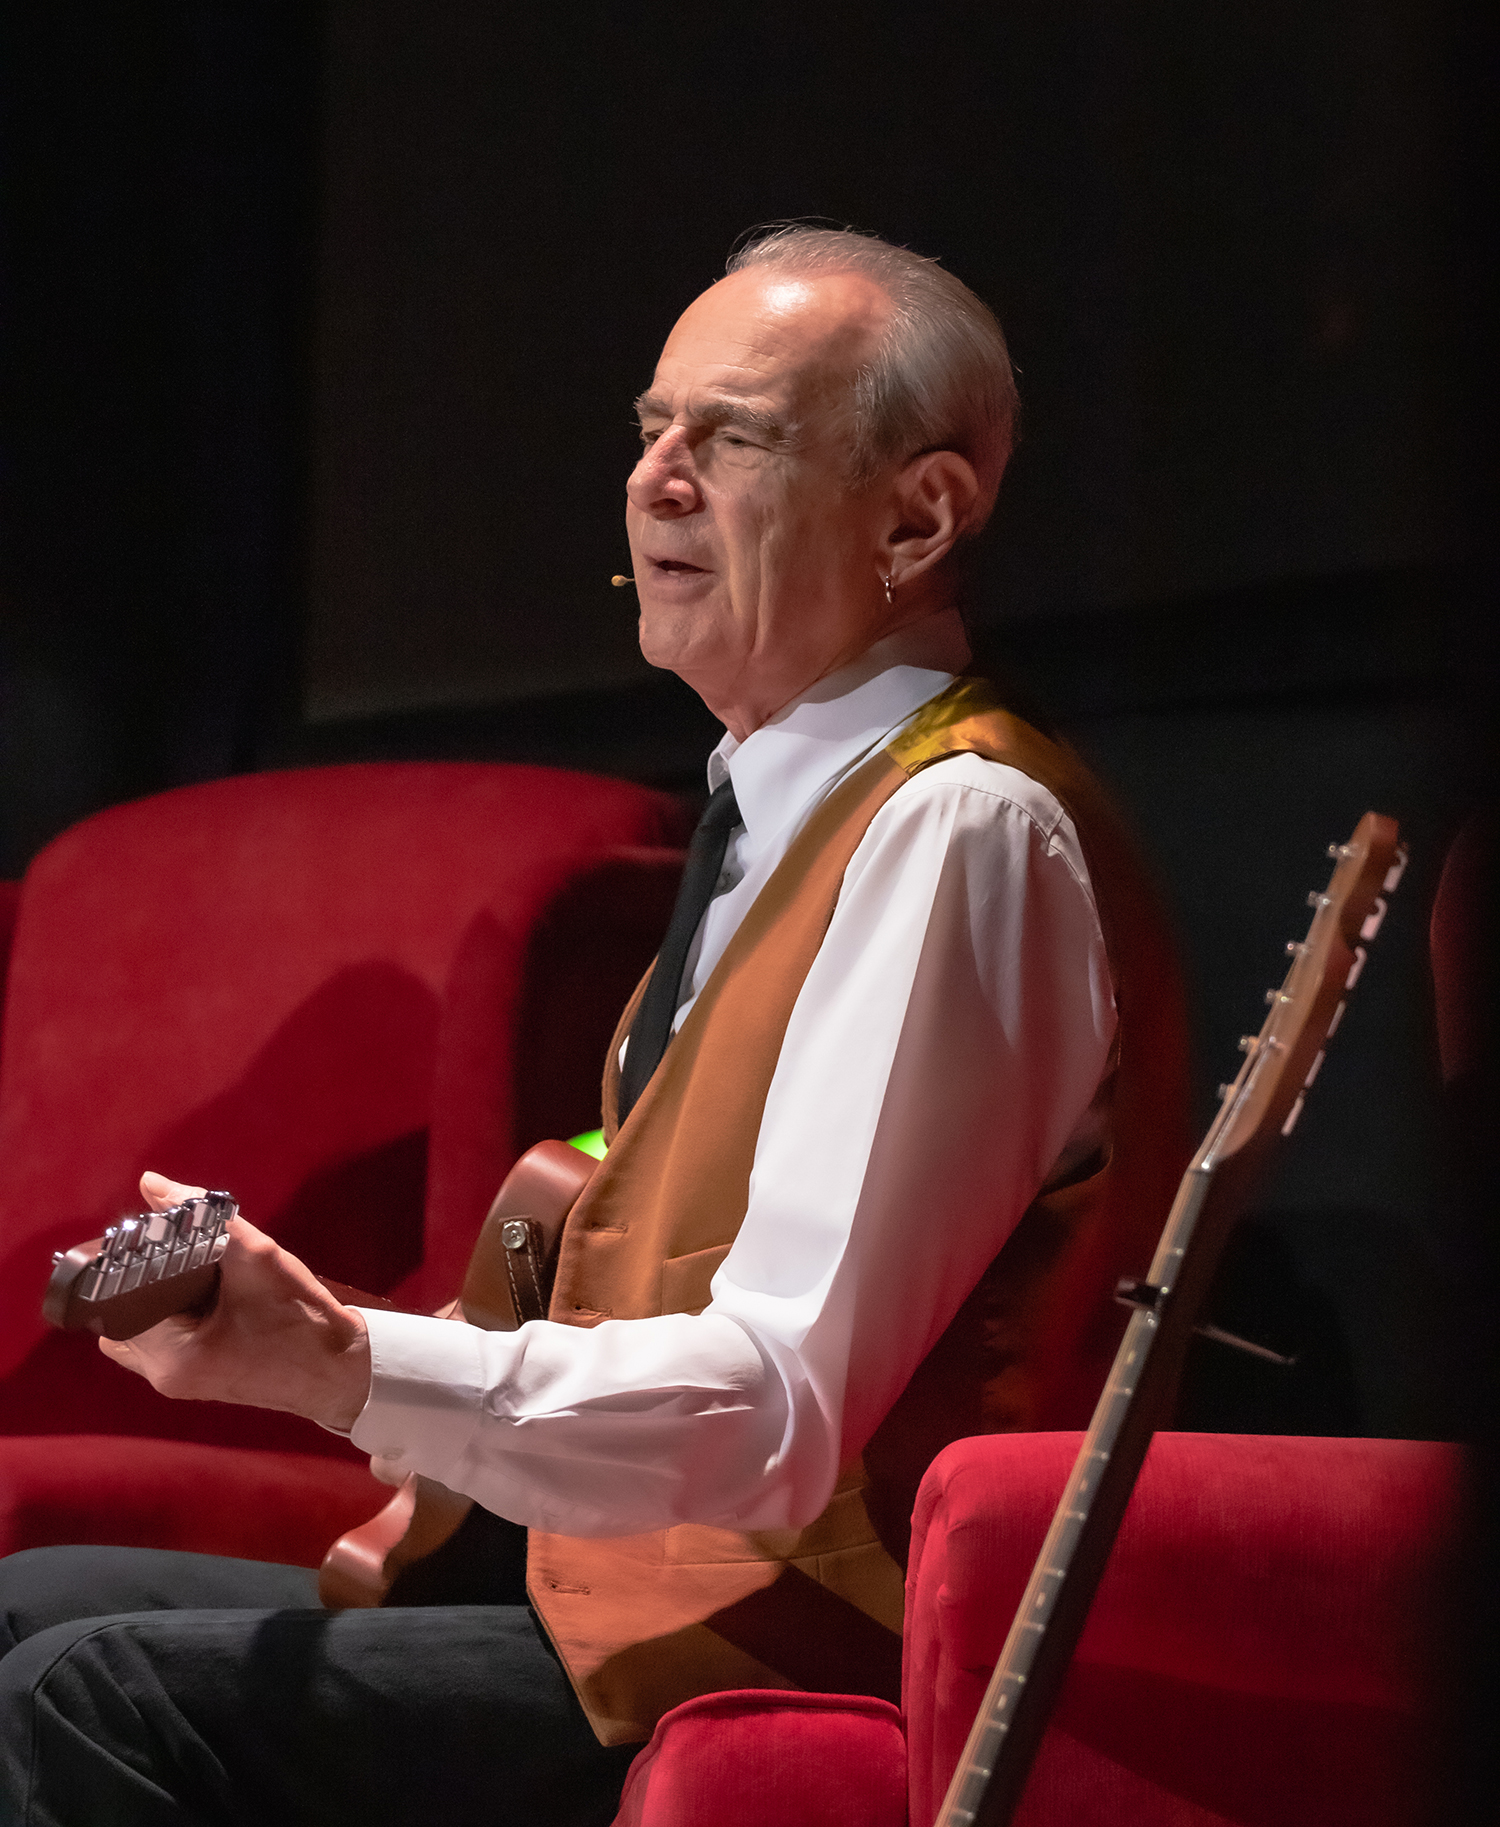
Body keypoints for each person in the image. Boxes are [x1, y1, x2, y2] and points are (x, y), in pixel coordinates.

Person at [0, 227, 1185, 1825]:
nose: (655, 480)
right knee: (22, 1605)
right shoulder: (774, 830)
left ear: (919, 517)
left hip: (797, 1642)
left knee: (82, 1695)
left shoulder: (958, 831)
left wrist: (344, 1365)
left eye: (734, 437)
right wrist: (345, 1339)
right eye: (651, 429)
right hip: (608, 1592)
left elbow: (777, 1405)